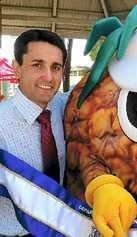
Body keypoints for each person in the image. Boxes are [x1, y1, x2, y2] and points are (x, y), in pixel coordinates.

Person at [0, 29, 67, 237]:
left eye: (55, 67)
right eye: (37, 65)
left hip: (61, 228)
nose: (48, 76)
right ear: (16, 68)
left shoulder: (63, 106)